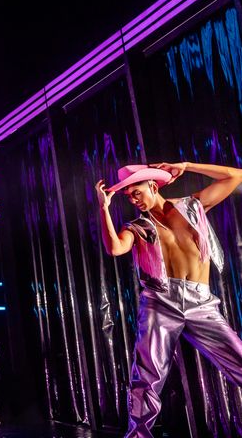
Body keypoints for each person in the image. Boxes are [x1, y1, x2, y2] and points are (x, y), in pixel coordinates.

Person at [96, 162, 242, 437]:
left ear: (152, 185)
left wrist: (186, 165)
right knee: (147, 377)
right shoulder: (138, 226)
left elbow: (235, 176)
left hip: (201, 303)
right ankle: (138, 435)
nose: (133, 199)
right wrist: (104, 208)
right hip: (160, 302)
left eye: (136, 191)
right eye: (128, 196)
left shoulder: (192, 207)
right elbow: (115, 248)